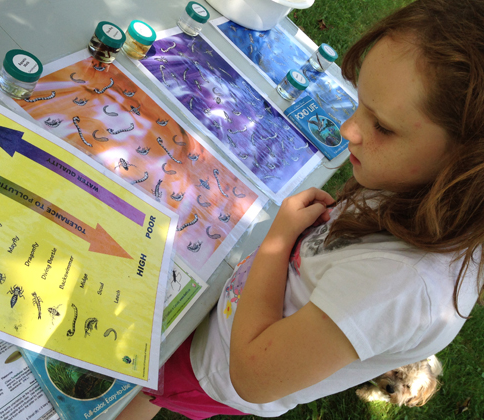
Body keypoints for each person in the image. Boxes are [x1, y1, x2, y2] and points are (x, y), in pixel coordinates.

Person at [117, 0, 484, 418]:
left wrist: (278, 238)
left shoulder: (403, 286)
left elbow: (253, 376)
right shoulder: (415, 184)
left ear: (466, 166)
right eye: (360, 102)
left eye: (381, 126)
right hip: (227, 312)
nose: (349, 130)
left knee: (145, 389)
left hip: (211, 369)